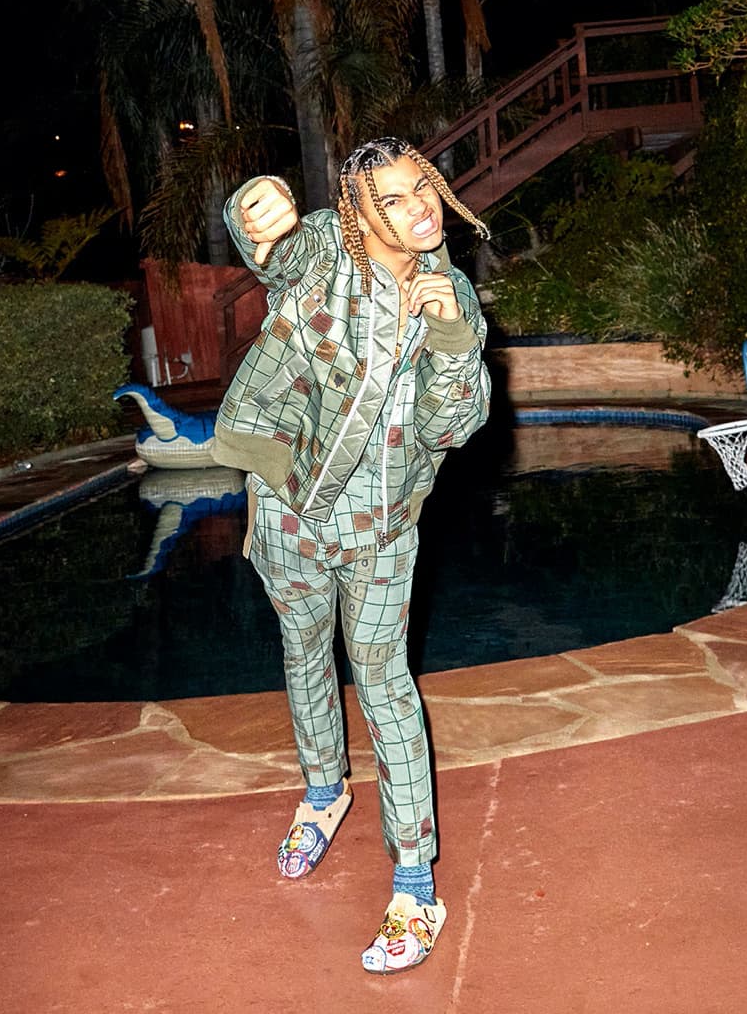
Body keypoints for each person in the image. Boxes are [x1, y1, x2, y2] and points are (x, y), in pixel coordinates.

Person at [212, 137, 491, 974]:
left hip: (380, 523)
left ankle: (415, 884)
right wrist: (253, 206)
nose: (419, 208)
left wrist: (450, 341)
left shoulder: (453, 296)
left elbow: (452, 427)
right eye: (392, 200)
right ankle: (324, 793)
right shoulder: (328, 249)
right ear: (358, 218)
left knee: (383, 679)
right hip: (287, 501)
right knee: (303, 650)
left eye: (422, 188)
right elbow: (274, 250)